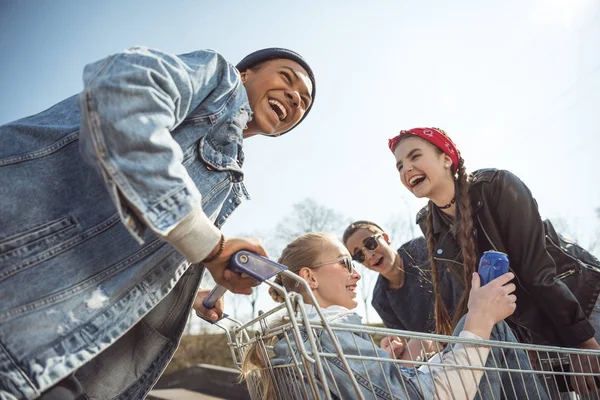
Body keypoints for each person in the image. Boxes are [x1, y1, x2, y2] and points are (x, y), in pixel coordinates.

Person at [0, 46, 315, 400]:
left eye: (303, 102)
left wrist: (188, 290)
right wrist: (210, 246)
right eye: (287, 78)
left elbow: (150, 242)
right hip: (17, 276)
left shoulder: (228, 177)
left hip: (56, 339)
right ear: (246, 74)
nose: (294, 97)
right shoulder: (218, 79)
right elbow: (126, 93)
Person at [388, 127, 600, 394]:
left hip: (578, 304)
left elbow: (537, 272)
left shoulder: (496, 186)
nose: (406, 169)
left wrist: (581, 339)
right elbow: (483, 291)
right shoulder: (429, 221)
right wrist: (519, 342)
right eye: (399, 166)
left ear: (446, 158)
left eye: (415, 156)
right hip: (534, 328)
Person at [241, 233, 548, 400]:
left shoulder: (303, 340)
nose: (356, 274)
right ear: (310, 278)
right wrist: (481, 320)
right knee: (487, 327)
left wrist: (391, 368)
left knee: (471, 322)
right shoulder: (329, 341)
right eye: (347, 262)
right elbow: (441, 394)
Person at [342, 220, 462, 333]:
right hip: (439, 352)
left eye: (370, 243)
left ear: (386, 238)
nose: (369, 255)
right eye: (359, 255)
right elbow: (409, 343)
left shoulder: (425, 248)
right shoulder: (380, 301)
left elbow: (461, 286)